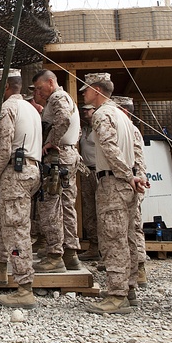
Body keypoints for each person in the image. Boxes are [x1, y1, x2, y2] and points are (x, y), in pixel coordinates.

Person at [82, 73, 145, 315]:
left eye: (87, 89)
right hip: (127, 184)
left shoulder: (102, 114)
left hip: (114, 183)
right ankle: (128, 288)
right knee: (127, 238)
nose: (84, 94)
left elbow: (109, 148)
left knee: (113, 240)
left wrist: (127, 175)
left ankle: (116, 295)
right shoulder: (122, 115)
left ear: (97, 90)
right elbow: (136, 151)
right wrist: (137, 176)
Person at [0, 69, 43, 308]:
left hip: (14, 172)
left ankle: (24, 287)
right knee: (3, 217)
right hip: (30, 169)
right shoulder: (31, 108)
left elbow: (1, 148)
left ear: (6, 87)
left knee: (16, 228)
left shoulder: (8, 108)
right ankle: (0, 264)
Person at [32, 70, 82, 273]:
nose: (38, 92)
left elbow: (63, 120)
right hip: (69, 155)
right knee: (67, 205)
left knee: (50, 205)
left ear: (50, 83)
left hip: (57, 159)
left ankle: (54, 255)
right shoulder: (67, 98)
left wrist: (51, 142)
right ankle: (71, 253)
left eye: (39, 88)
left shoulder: (58, 97)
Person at [113, 96, 151, 288]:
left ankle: (140, 267)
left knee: (134, 227)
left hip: (133, 181)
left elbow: (139, 158)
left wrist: (140, 179)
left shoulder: (131, 130)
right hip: (132, 180)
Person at [77, 104, 100, 261]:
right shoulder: (84, 130)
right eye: (83, 109)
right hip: (86, 171)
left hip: (100, 171)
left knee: (103, 210)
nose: (85, 112)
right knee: (89, 209)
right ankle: (94, 245)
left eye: (89, 109)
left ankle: (107, 248)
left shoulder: (101, 128)